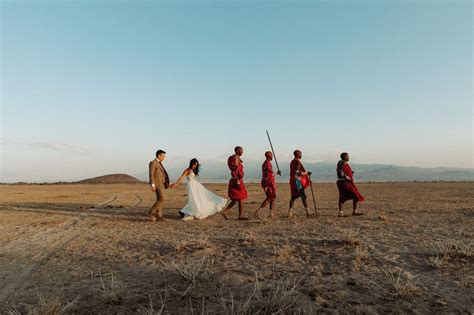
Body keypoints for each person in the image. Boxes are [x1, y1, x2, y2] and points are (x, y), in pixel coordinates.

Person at [221, 146, 249, 220]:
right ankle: (239, 215)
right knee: (241, 197)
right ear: (237, 151)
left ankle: (226, 211)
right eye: (241, 151)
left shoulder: (234, 158)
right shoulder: (236, 158)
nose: (242, 152)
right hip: (237, 180)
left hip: (235, 180)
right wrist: (237, 180)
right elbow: (236, 169)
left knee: (236, 198)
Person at [336, 152, 365, 217]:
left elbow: (343, 171)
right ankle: (345, 212)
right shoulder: (342, 162)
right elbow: (339, 171)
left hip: (346, 182)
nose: (348, 157)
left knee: (347, 196)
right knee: (354, 195)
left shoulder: (344, 163)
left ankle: (350, 212)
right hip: (344, 183)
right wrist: (346, 176)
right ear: (345, 157)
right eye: (347, 156)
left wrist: (350, 173)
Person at [255, 151, 281, 219]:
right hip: (268, 183)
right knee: (269, 197)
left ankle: (271, 214)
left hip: (267, 182)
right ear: (269, 156)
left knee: (272, 198)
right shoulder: (267, 164)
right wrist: (277, 173)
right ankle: (258, 211)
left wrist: (276, 173)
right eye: (271, 155)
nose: (272, 156)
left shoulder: (266, 163)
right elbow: (269, 175)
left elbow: (269, 174)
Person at [288, 150, 312, 218]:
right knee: (303, 196)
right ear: (298, 155)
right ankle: (308, 212)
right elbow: (297, 173)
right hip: (297, 181)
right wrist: (306, 173)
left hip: (292, 180)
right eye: (300, 154)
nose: (301, 155)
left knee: (293, 197)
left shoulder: (292, 161)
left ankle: (290, 213)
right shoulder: (297, 162)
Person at [148, 149, 171, 221]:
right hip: (157, 184)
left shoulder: (159, 163)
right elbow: (151, 174)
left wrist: (168, 183)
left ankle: (159, 216)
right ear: (159, 155)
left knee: (159, 199)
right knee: (162, 199)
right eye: (163, 156)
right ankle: (152, 211)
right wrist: (152, 185)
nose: (164, 158)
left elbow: (162, 175)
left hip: (162, 184)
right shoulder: (153, 163)